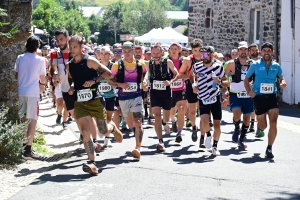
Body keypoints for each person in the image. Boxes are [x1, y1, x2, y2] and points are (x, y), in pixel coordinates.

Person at [67, 35, 123, 174]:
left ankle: (113, 127)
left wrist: (94, 80)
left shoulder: (90, 61)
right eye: (71, 47)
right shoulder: (69, 65)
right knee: (85, 132)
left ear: (81, 47)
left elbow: (108, 73)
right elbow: (72, 80)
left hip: (95, 100)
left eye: (75, 47)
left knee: (103, 131)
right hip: (80, 102)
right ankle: (92, 163)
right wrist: (72, 87)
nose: (72, 50)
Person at [244, 42, 287, 158]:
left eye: (269, 51)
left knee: (274, 123)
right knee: (263, 126)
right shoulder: (255, 65)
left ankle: (269, 148)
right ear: (261, 52)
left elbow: (281, 77)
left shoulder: (276, 66)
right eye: (265, 51)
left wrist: (283, 82)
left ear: (272, 52)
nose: (267, 53)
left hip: (272, 97)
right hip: (259, 98)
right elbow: (246, 80)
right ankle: (259, 127)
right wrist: (249, 92)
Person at [107, 41, 147, 159]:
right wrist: (120, 84)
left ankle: (137, 147)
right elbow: (110, 81)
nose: (127, 53)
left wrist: (144, 81)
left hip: (137, 96)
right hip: (123, 98)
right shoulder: (116, 65)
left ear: (133, 51)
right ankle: (137, 130)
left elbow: (145, 74)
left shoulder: (140, 64)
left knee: (138, 122)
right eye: (125, 51)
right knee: (131, 125)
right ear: (122, 52)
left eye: (129, 51)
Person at [14, 35, 46, 160]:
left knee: (23, 118)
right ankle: (28, 150)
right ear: (37, 46)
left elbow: (17, 76)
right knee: (33, 120)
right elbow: (42, 78)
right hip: (33, 92)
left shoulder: (19, 58)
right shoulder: (40, 60)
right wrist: (42, 86)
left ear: (26, 45)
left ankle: (22, 147)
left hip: (22, 91)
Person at [192, 46, 227, 156]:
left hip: (215, 97)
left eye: (206, 54)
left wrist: (220, 81)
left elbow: (226, 82)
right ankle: (207, 135)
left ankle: (215, 146)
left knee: (217, 125)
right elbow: (191, 75)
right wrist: (194, 84)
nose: (203, 57)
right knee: (204, 121)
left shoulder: (218, 67)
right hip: (202, 97)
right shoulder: (197, 66)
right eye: (201, 55)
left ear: (211, 54)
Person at [144, 45, 178, 151]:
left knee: (166, 117)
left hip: (166, 93)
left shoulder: (168, 62)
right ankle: (160, 141)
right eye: (153, 54)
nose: (155, 56)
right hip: (155, 93)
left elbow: (176, 74)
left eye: (157, 53)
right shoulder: (148, 63)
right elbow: (148, 74)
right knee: (157, 116)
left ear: (162, 53)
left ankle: (165, 123)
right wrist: (145, 80)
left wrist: (170, 82)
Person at [224, 41, 254, 148]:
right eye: (241, 49)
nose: (243, 51)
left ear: (248, 51)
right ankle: (236, 128)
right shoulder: (230, 64)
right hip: (235, 93)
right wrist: (226, 90)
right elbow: (225, 78)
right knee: (236, 114)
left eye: (245, 49)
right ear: (238, 51)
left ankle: (242, 138)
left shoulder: (253, 64)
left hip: (248, 94)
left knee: (247, 118)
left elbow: (257, 79)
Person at [179, 38, 203, 143]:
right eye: (195, 51)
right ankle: (194, 127)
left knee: (204, 111)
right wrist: (190, 77)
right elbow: (180, 74)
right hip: (191, 85)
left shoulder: (206, 57)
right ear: (192, 51)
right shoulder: (188, 60)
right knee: (192, 111)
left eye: (199, 50)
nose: (198, 53)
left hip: (204, 85)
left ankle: (204, 134)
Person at [167, 43, 187, 143]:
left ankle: (179, 132)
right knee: (171, 112)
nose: (174, 50)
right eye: (172, 49)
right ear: (169, 50)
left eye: (176, 49)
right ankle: (173, 121)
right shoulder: (166, 61)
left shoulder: (183, 60)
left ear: (179, 50)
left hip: (181, 88)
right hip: (170, 89)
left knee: (181, 109)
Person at [99, 46, 118, 147]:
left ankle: (107, 139)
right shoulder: (96, 66)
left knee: (109, 118)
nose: (103, 56)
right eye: (101, 53)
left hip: (111, 95)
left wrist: (113, 84)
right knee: (100, 117)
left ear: (110, 55)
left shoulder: (113, 66)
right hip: (99, 96)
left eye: (106, 53)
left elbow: (117, 81)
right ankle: (101, 130)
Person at [248, 43, 260, 133]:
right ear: (249, 51)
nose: (255, 52)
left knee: (259, 107)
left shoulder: (261, 62)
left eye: (256, 50)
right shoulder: (247, 63)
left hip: (260, 87)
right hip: (250, 87)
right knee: (251, 106)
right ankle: (252, 123)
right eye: (252, 50)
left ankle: (258, 125)